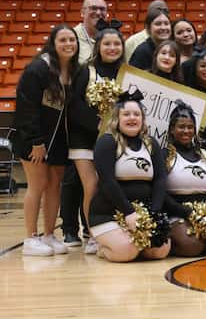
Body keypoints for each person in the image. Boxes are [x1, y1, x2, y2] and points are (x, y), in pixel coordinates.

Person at [15, 25, 78, 256]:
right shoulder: (38, 68)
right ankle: (30, 238)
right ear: (53, 42)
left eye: (72, 39)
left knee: (54, 187)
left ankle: (49, 234)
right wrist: (35, 141)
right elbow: (26, 107)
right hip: (34, 139)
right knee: (38, 184)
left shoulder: (73, 70)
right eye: (63, 40)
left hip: (59, 139)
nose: (69, 44)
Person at [89, 90, 171, 262]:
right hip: (108, 214)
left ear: (142, 119)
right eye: (126, 114)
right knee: (126, 252)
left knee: (160, 250)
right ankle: (103, 248)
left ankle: (134, 245)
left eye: (136, 114)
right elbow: (107, 182)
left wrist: (154, 213)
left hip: (143, 213)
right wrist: (128, 212)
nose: (132, 118)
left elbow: (160, 180)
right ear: (117, 118)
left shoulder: (151, 143)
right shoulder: (107, 141)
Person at [67, 26, 125, 254]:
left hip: (113, 141)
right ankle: (92, 235)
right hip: (84, 139)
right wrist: (96, 123)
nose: (112, 48)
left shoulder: (127, 73)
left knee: (109, 186)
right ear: (98, 47)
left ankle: (111, 230)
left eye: (117, 44)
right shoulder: (85, 71)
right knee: (91, 187)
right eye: (107, 44)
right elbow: (73, 104)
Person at [162, 102, 206, 256]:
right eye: (181, 127)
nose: (186, 131)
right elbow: (160, 193)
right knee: (191, 246)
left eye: (190, 127)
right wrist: (185, 212)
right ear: (172, 130)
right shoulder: (165, 155)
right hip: (178, 214)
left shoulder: (205, 154)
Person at [74, 0, 108, 64]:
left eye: (102, 9)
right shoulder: (71, 37)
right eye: (93, 8)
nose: (98, 12)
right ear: (82, 12)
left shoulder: (112, 37)